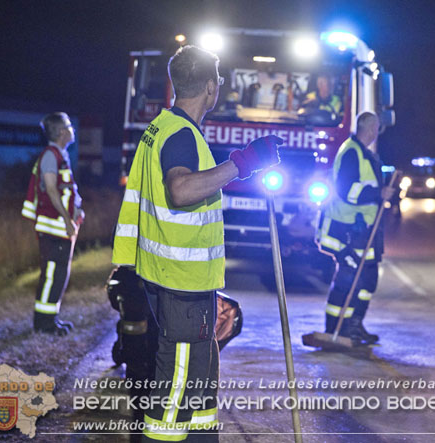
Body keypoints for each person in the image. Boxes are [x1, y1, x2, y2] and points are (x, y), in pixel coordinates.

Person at [111, 45, 282, 442]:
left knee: (199, 384)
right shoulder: (182, 135)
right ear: (210, 86)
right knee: (174, 392)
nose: (218, 86)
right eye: (219, 80)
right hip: (180, 286)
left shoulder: (164, 127)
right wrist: (242, 164)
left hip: (179, 280)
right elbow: (182, 190)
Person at [318, 112, 394, 345]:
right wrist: (377, 194)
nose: (377, 133)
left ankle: (354, 325)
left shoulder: (363, 153)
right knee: (347, 280)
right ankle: (334, 330)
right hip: (344, 231)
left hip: (363, 233)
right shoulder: (352, 151)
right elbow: (346, 189)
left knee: (367, 280)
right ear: (370, 129)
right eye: (377, 128)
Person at [21, 112, 83, 336]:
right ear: (60, 132)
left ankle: (51, 320)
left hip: (59, 229)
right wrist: (67, 220)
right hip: (53, 228)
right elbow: (51, 189)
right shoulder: (50, 156)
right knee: (51, 276)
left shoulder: (60, 155)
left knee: (58, 276)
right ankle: (43, 324)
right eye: (69, 126)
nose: (72, 130)